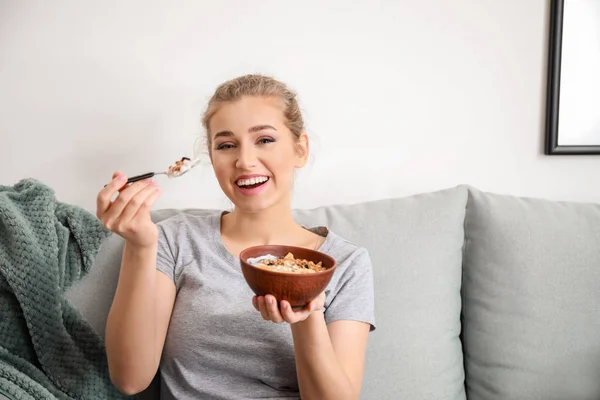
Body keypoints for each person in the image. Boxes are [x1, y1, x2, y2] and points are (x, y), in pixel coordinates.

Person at [96, 74, 376, 399]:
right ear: (212, 159)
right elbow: (130, 379)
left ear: (300, 150)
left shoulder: (346, 263)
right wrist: (140, 246)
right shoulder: (173, 239)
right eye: (226, 146)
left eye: (265, 140)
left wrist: (304, 317)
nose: (244, 161)